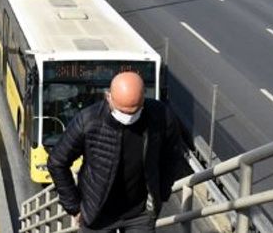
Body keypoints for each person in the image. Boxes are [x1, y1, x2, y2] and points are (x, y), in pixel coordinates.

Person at [48, 71, 184, 233]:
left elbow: (173, 155)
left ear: (143, 101)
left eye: (135, 111)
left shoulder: (160, 116)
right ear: (108, 97)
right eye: (123, 111)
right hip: (97, 214)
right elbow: (57, 161)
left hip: (140, 213)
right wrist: (74, 207)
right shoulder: (88, 121)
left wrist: (162, 192)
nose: (128, 117)